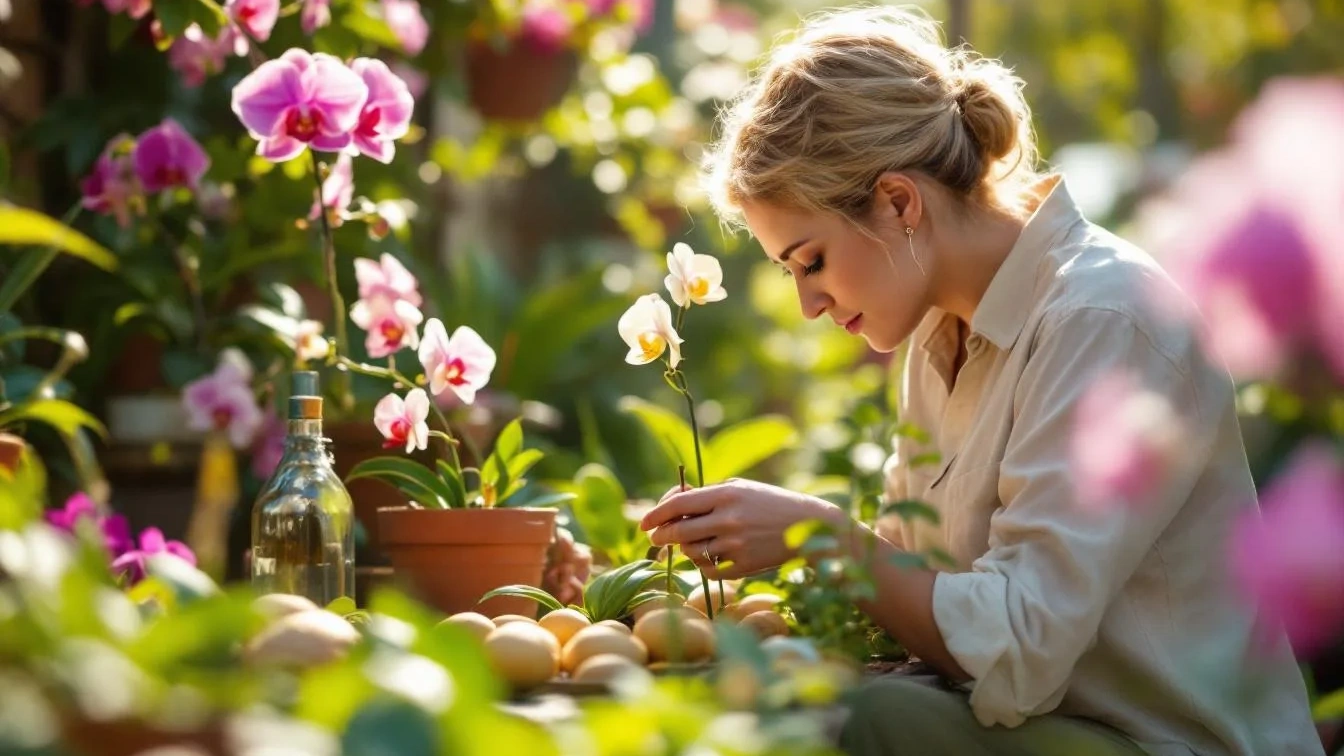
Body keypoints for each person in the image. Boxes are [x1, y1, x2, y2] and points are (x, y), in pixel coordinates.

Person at [638, 6, 1324, 755]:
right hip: (1050, 731)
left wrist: (825, 537)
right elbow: (919, 598)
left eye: (812, 262)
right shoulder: (938, 337)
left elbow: (1016, 649)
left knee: (875, 720)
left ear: (900, 202)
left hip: (1166, 742)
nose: (808, 305)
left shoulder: (1101, 317)